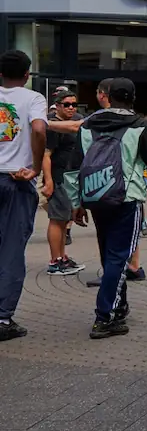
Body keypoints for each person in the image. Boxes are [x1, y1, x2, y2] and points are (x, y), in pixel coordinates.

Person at [63, 78, 147, 338]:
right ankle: (105, 317)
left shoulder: (88, 125)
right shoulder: (142, 125)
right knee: (119, 258)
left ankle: (118, 307)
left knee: (109, 254)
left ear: (108, 96)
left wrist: (76, 203)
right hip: (127, 198)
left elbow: (73, 168)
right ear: (132, 98)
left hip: (96, 197)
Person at [0, 51, 48, 342]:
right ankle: (3, 318)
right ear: (27, 75)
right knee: (11, 250)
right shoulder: (33, 99)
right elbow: (40, 129)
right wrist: (36, 167)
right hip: (15, 179)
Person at [43, 89, 86, 276]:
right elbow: (46, 155)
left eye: (74, 104)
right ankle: (55, 261)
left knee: (65, 219)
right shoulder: (52, 125)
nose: (71, 108)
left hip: (71, 179)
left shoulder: (75, 120)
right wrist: (49, 181)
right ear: (58, 106)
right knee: (57, 219)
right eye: (67, 104)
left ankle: (63, 257)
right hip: (59, 177)